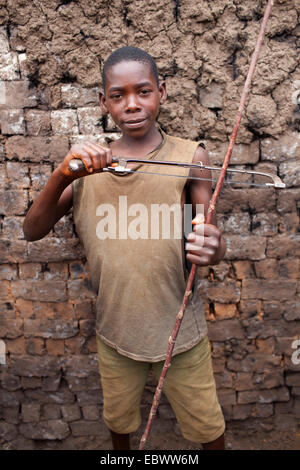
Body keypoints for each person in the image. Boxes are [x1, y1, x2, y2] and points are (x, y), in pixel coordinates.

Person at [23, 46, 226, 450]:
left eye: (144, 91)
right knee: (119, 422)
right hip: (116, 330)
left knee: (208, 429)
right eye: (118, 95)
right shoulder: (87, 166)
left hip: (180, 331)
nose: (132, 104)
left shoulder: (189, 157)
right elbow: (32, 230)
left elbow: (209, 239)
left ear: (162, 92)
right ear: (104, 101)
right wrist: (62, 175)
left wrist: (213, 248)